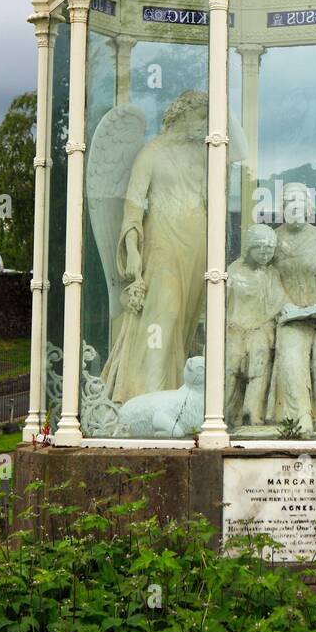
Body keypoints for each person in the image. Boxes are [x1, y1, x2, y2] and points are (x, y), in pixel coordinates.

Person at [102, 90, 208, 404]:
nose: (204, 124)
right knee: (165, 313)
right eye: (201, 116)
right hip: (162, 239)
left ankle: (176, 394)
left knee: (185, 323)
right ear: (182, 115)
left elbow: (234, 160)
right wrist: (133, 250)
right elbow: (133, 206)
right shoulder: (151, 152)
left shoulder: (204, 152)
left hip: (198, 241)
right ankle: (147, 396)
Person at [268, 183, 316, 434]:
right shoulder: (273, 240)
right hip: (290, 314)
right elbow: (267, 281)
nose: (293, 205)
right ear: (281, 208)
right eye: (287, 201)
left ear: (308, 207)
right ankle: (300, 418)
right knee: (291, 358)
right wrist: (284, 307)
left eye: (298, 200)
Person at [225, 224, 287, 427]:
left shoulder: (271, 275)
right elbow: (221, 306)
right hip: (233, 328)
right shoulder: (231, 273)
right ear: (249, 247)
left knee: (259, 359)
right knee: (232, 363)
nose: (265, 253)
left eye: (270, 248)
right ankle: (225, 412)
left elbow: (281, 303)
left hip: (261, 328)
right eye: (260, 247)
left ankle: (252, 414)